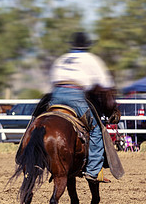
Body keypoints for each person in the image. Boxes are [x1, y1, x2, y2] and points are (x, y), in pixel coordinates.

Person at [49, 32, 115, 183]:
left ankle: (27, 154)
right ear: (87, 45)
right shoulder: (91, 59)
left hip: (56, 95)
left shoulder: (62, 58)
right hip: (76, 96)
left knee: (38, 119)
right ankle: (92, 171)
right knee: (96, 129)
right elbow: (105, 84)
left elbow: (52, 78)